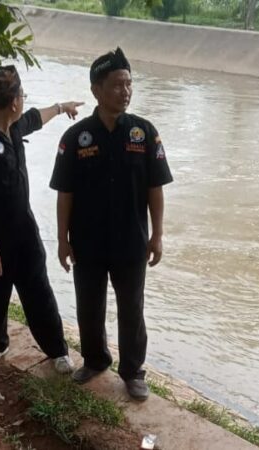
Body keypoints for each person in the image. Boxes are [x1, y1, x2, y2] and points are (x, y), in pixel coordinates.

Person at [50, 48, 173, 400]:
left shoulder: (143, 133)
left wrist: (158, 235)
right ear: (96, 90)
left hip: (132, 242)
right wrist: (62, 239)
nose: (125, 91)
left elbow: (155, 189)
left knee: (131, 309)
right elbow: (65, 194)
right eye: (117, 84)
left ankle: (133, 371)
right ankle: (95, 359)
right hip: (87, 242)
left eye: (129, 83)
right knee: (89, 306)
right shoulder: (76, 138)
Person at [0, 65, 84, 373]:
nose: (24, 101)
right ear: (14, 101)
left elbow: (35, 119)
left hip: (22, 231)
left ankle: (57, 351)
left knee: (37, 289)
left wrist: (61, 107)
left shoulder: (12, 126)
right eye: (22, 95)